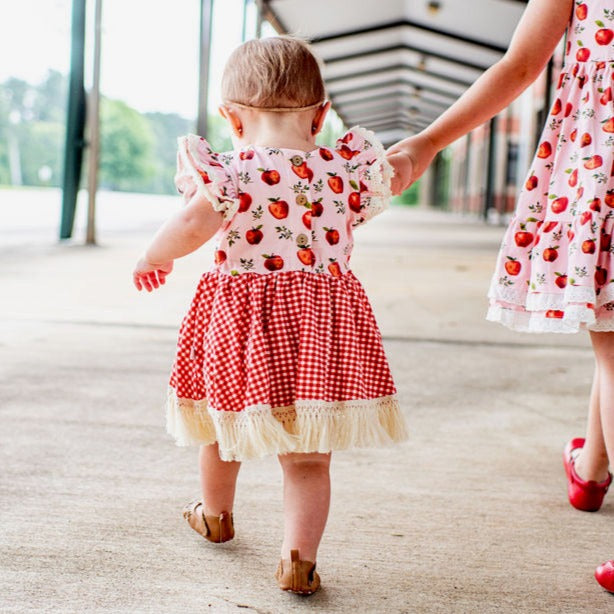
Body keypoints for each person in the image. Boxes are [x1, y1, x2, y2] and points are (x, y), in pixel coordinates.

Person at [132, 36, 407, 596]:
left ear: (231, 118)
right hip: (323, 328)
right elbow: (390, 181)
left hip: (243, 323)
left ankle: (215, 515)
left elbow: (190, 227)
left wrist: (152, 255)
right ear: (322, 115)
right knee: (308, 457)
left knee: (221, 426)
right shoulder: (344, 171)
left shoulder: (232, 172)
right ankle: (298, 562)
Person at [387, 0, 614, 592]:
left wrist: (430, 141)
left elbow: (520, 65)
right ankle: (590, 467)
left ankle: (594, 467)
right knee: (609, 330)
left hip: (602, 157)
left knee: (613, 345)